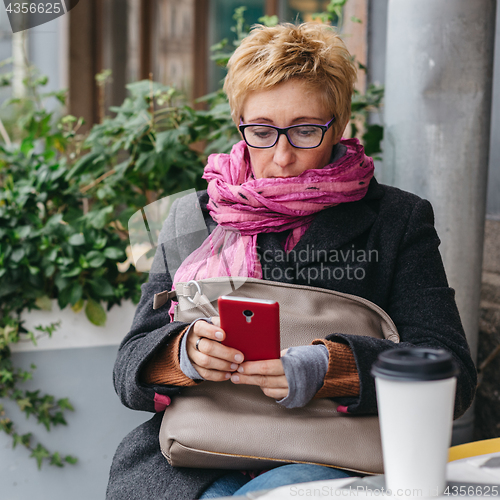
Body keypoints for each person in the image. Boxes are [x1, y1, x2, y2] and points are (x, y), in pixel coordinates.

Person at [106, 22, 477, 500]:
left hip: (335, 456)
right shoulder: (192, 216)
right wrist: (184, 354)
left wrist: (333, 367)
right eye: (261, 131)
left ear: (338, 125)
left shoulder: (396, 219)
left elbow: (451, 373)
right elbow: (129, 367)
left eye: (304, 130)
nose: (281, 157)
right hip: (191, 457)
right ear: (239, 122)